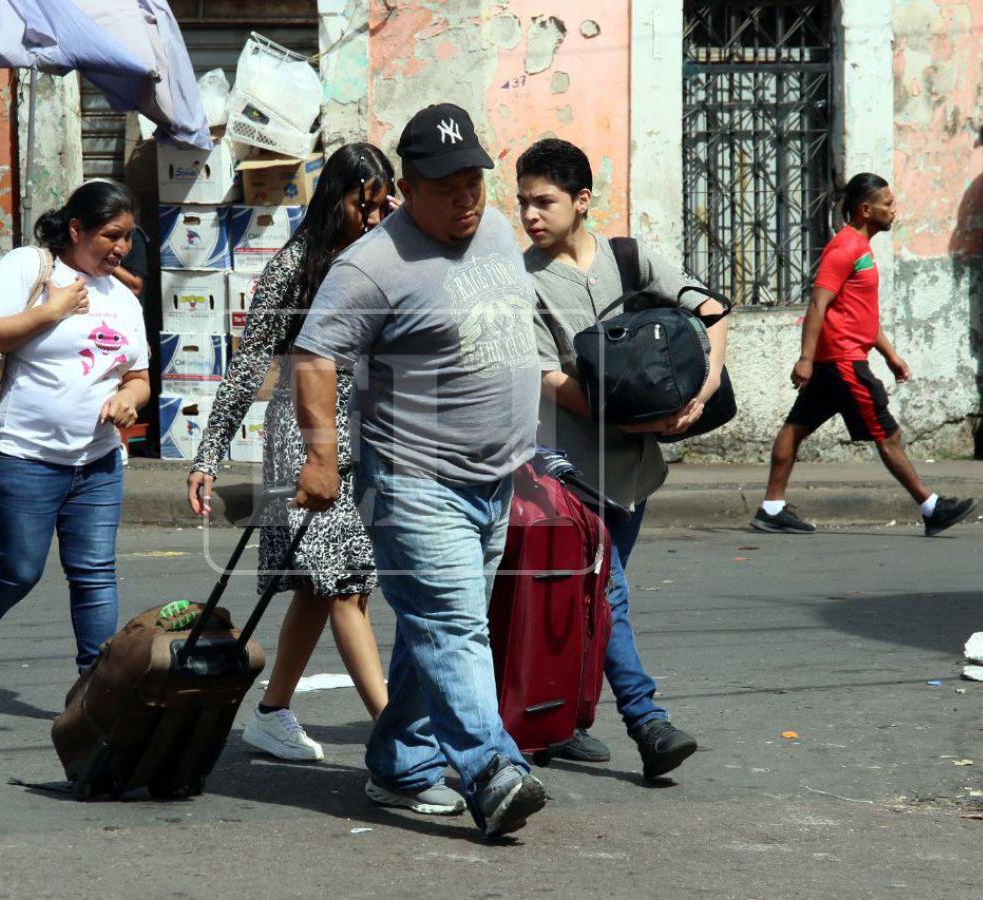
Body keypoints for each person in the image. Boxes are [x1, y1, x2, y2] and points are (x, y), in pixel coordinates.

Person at [291, 104, 548, 839]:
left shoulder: (494, 231)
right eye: (446, 188)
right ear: (407, 189)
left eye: (474, 182)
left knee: (434, 630)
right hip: (415, 480)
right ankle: (492, 771)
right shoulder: (371, 266)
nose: (466, 199)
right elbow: (314, 357)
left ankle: (401, 762)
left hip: (495, 478)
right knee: (455, 626)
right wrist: (320, 457)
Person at [516, 138, 729, 778]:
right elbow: (548, 377)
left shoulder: (629, 257)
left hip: (635, 473)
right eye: (523, 202)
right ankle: (647, 721)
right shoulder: (523, 281)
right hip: (567, 473)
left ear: (582, 201)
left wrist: (701, 393)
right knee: (608, 594)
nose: (530, 214)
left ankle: (556, 722)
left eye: (543, 201)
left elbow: (711, 310)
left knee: (589, 604)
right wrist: (633, 415)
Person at [187, 143, 394, 760]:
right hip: (303, 442)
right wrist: (209, 453)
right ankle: (399, 737)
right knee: (345, 584)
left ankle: (272, 712)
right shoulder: (295, 265)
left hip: (367, 436)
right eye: (363, 206)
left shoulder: (382, 261)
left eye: (383, 207)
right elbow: (251, 362)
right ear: (335, 201)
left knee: (319, 585)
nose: (373, 220)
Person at [0, 181, 151, 716]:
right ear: (76, 229)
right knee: (17, 571)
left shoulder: (123, 298)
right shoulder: (29, 267)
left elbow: (139, 377)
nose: (122, 248)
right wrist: (52, 311)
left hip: (97, 461)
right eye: (111, 235)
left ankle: (94, 691)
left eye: (128, 237)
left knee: (95, 575)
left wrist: (128, 399)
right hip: (23, 455)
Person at [752, 172, 977, 536]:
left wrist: (890, 355)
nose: (894, 210)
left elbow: (861, 315)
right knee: (887, 434)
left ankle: (772, 508)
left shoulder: (860, 248)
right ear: (865, 209)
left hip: (839, 361)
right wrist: (805, 358)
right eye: (887, 204)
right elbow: (818, 304)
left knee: (795, 428)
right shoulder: (845, 249)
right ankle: (931, 506)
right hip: (844, 363)